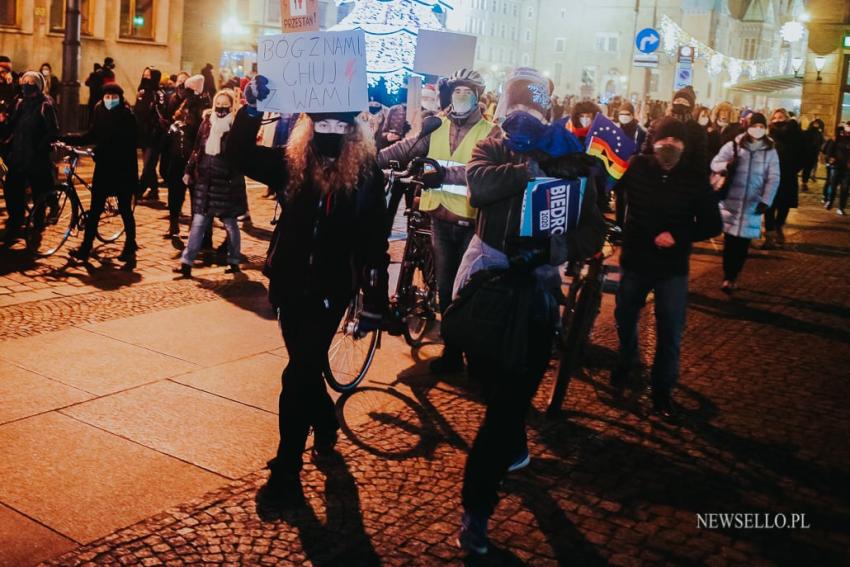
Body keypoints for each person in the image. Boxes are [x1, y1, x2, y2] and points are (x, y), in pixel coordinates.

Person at [453, 66, 606, 555]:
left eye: (533, 111)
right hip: (486, 284)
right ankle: (513, 444)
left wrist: (552, 251)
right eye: (517, 109)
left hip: (536, 292)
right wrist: (528, 168)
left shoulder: (570, 154)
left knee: (504, 407)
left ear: (547, 111)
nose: (523, 118)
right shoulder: (492, 146)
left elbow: (593, 231)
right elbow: (479, 187)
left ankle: (475, 510)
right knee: (491, 390)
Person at [227, 77, 389, 517]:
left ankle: (286, 468)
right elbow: (237, 155)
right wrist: (253, 108)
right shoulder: (292, 160)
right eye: (323, 120)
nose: (331, 127)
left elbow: (375, 237)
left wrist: (376, 301)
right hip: (288, 280)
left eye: (341, 121)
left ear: (353, 126)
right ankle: (323, 420)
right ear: (310, 123)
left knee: (296, 372)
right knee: (304, 365)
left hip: (331, 286)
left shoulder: (367, 172)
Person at [378, 67, 498, 374]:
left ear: (477, 97)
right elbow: (407, 148)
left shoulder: (491, 132)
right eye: (456, 91)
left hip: (472, 224)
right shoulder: (437, 125)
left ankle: (473, 350)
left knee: (467, 291)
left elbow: (480, 172)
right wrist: (369, 158)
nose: (460, 97)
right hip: (440, 221)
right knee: (446, 289)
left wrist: (443, 174)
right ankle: (452, 351)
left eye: (467, 92)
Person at [611, 117, 721, 418]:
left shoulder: (694, 177)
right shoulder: (636, 167)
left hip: (672, 268)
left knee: (670, 330)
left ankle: (662, 391)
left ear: (684, 146)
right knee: (624, 315)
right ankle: (627, 362)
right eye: (663, 140)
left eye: (675, 141)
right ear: (653, 142)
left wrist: (679, 236)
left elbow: (713, 223)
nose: (669, 146)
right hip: (636, 260)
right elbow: (608, 180)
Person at [62, 83, 139, 267]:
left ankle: (130, 246)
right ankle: (85, 247)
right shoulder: (99, 110)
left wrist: (100, 149)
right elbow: (92, 134)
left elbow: (127, 143)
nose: (110, 100)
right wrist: (67, 138)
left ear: (120, 98)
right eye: (107, 97)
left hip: (123, 170)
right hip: (104, 169)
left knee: (125, 209)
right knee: (95, 210)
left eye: (114, 97)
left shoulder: (127, 116)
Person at [175, 90, 245, 276]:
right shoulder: (207, 123)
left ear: (231, 107)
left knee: (230, 225)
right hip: (205, 182)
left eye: (225, 104)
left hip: (225, 184)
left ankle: (234, 261)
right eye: (218, 103)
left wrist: (232, 177)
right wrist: (189, 170)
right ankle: (186, 263)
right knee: (198, 223)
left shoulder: (235, 127)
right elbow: (198, 149)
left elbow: (238, 157)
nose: (221, 107)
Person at [710, 113, 780, 293]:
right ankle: (728, 276)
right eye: (754, 125)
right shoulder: (733, 145)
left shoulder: (770, 151)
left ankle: (735, 274)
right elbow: (714, 163)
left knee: (743, 245)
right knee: (730, 242)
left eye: (761, 126)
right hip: (732, 201)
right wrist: (726, 165)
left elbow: (773, 177)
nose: (757, 129)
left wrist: (766, 200)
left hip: (752, 204)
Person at [0, 71, 59, 244]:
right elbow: (11, 125)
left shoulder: (45, 105)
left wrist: (39, 148)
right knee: (12, 188)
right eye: (24, 81)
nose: (27, 85)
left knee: (39, 191)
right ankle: (15, 221)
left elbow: (52, 131)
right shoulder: (19, 103)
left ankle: (38, 224)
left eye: (31, 82)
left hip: (36, 157)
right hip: (18, 154)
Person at [165, 74, 210, 236]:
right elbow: (171, 118)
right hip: (177, 154)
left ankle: (195, 226)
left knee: (195, 193)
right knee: (175, 191)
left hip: (194, 156)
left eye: (189, 89)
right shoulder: (180, 101)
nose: (186, 91)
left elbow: (201, 129)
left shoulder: (203, 106)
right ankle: (174, 222)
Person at [763, 108, 804, 249]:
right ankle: (769, 234)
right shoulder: (768, 134)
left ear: (786, 118)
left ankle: (778, 226)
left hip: (787, 175)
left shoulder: (795, 133)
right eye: (776, 117)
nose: (778, 119)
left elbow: (802, 153)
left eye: (781, 117)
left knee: (784, 204)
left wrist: (795, 168)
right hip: (770, 175)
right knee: (769, 205)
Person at [135, 67, 167, 201]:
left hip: (155, 134)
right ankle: (154, 190)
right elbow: (138, 111)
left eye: (148, 76)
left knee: (149, 164)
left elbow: (161, 112)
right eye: (144, 75)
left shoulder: (159, 93)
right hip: (143, 133)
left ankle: (138, 191)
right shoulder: (141, 92)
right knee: (149, 164)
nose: (145, 78)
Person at [825, 122, 850, 215]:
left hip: (847, 169)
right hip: (836, 166)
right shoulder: (837, 138)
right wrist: (830, 158)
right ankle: (830, 201)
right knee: (833, 185)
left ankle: (841, 207)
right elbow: (830, 151)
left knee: (845, 188)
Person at [801, 118, 824, 192]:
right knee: (805, 169)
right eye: (815, 123)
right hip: (805, 154)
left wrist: (820, 152)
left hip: (813, 155)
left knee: (808, 169)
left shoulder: (819, 133)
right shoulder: (807, 132)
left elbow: (821, 143)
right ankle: (804, 183)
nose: (816, 125)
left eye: (817, 124)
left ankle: (804, 183)